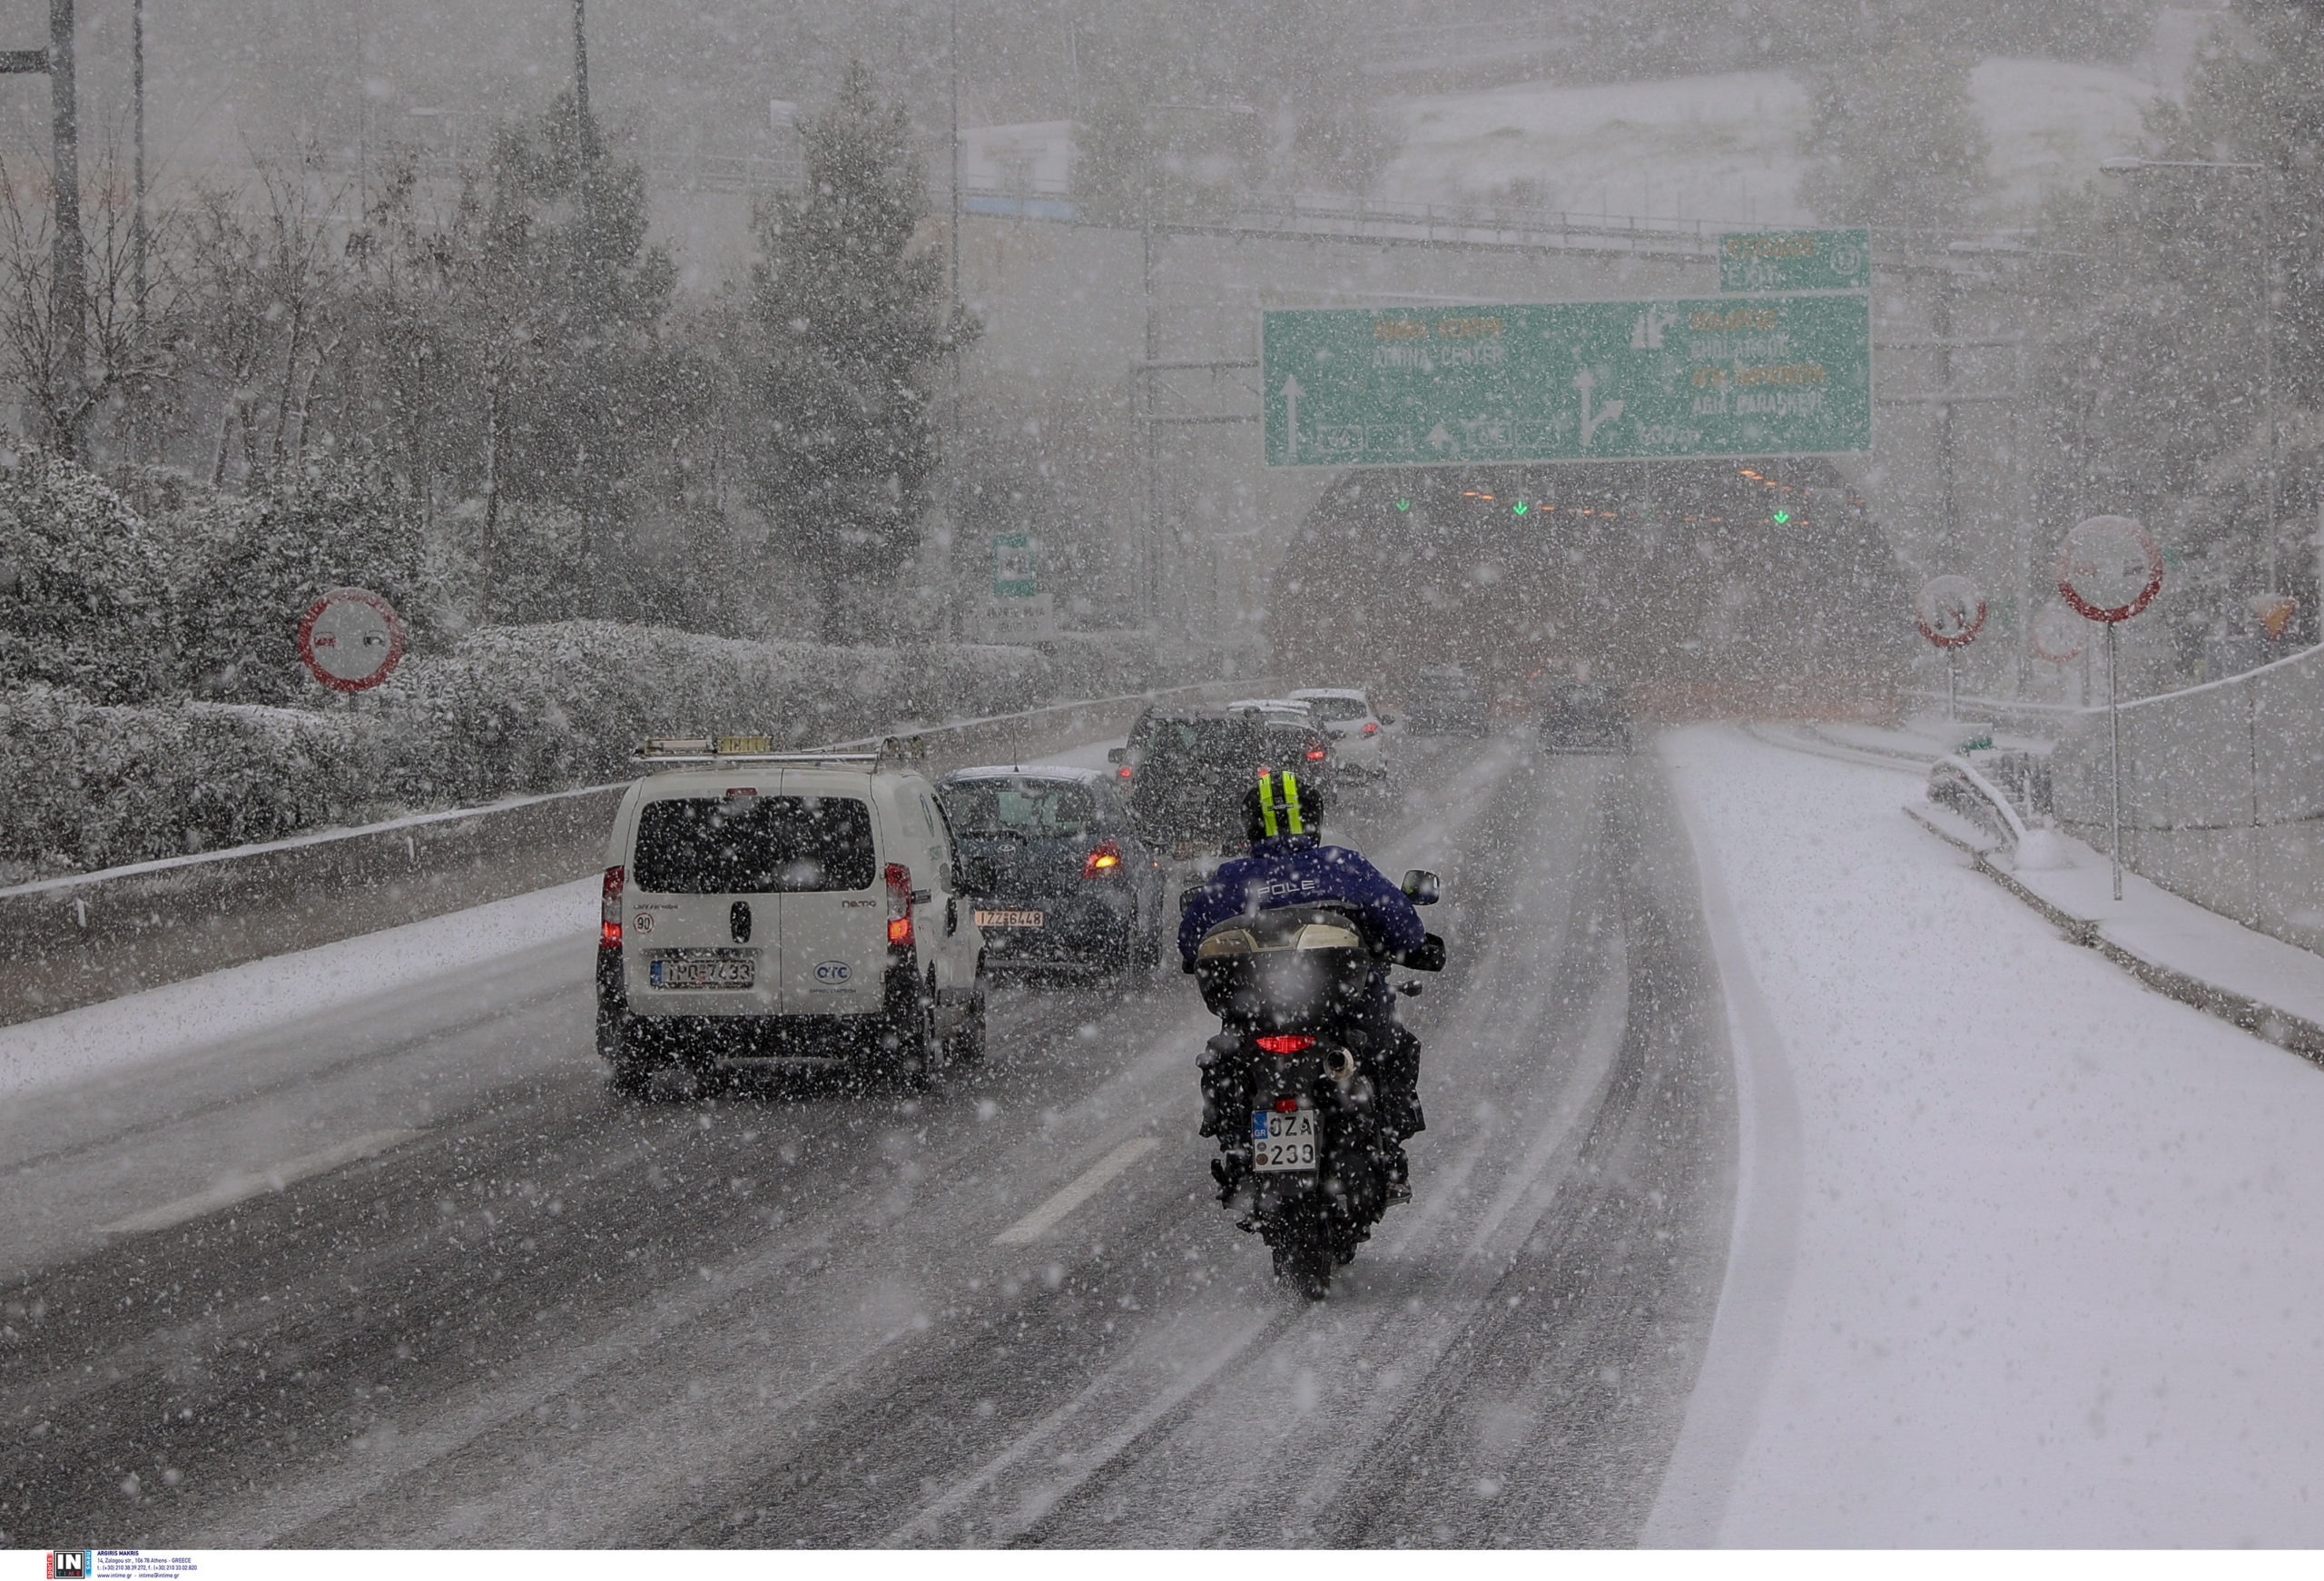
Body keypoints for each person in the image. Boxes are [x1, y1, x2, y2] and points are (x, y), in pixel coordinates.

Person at [1178, 769, 1430, 1195]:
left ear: (1251, 823)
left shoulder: (1230, 879)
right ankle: (1386, 1145)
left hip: (1257, 1019)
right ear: (1313, 818)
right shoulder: (1342, 865)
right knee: (1394, 1048)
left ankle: (1239, 1147)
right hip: (1338, 1014)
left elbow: (1189, 944)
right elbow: (1404, 930)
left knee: (1227, 1063)